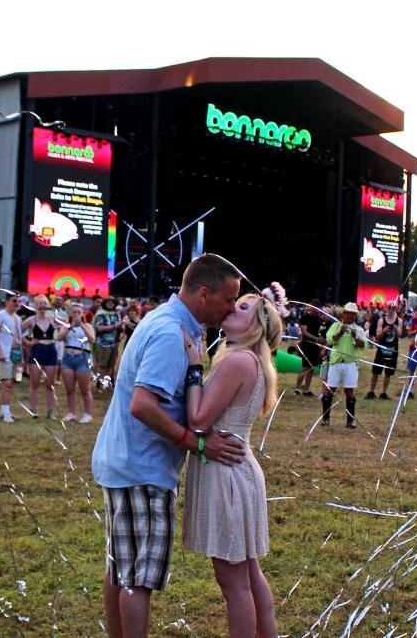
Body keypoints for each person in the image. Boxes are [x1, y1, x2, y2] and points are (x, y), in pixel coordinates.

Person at [91, 253, 246, 638]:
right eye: (229, 299)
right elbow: (142, 405)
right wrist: (196, 443)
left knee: (121, 568)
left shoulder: (174, 323)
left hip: (128, 463)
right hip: (141, 469)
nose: (231, 307)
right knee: (138, 578)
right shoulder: (168, 333)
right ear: (204, 293)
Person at [182, 292, 283, 637]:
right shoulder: (249, 359)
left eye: (243, 307)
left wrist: (194, 367)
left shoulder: (238, 361)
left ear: (255, 326)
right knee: (249, 575)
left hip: (227, 472)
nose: (232, 307)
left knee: (234, 582)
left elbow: (197, 420)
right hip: (237, 468)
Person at [322, 302, 366, 428]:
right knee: (330, 389)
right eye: (348, 314)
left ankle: (350, 420)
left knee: (349, 391)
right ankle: (325, 418)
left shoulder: (359, 329)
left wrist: (355, 336)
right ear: (344, 314)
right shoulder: (336, 326)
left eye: (353, 314)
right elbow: (330, 340)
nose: (350, 316)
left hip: (350, 363)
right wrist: (340, 332)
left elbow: (363, 345)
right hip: (336, 362)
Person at [20, 295, 59, 419]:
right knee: (34, 383)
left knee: (50, 384)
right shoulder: (31, 320)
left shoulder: (53, 319)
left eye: (45, 303)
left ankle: (50, 411)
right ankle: (33, 410)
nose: (42, 305)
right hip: (37, 350)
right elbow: (16, 330)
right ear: (36, 305)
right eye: (40, 303)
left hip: (50, 350)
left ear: (48, 305)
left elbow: (66, 325)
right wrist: (27, 343)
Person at [57, 303, 96, 423]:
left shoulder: (88, 326)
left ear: (83, 313)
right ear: (70, 314)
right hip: (68, 358)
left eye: (79, 312)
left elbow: (92, 340)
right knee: (70, 389)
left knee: (85, 389)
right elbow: (59, 337)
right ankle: (71, 413)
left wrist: (82, 326)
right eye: (74, 312)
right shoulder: (66, 326)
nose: (76, 314)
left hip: (82, 357)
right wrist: (71, 326)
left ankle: (88, 414)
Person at [0, 293, 23, 423]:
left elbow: (18, 336)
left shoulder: (18, 318)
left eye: (18, 301)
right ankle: (6, 414)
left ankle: (4, 411)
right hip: (4, 352)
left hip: (15, 353)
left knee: (11, 383)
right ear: (7, 301)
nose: (16, 303)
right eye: (14, 300)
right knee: (7, 383)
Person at [365, 302, 405, 400]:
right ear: (386, 308)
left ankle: (383, 393)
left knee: (388, 372)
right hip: (382, 349)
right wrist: (384, 331)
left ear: (396, 309)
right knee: (376, 371)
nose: (391, 310)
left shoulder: (399, 321)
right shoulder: (381, 320)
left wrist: (396, 329)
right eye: (390, 308)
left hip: (393, 349)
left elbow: (401, 335)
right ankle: (371, 391)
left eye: (393, 308)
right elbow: (378, 336)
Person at [295, 299, 325, 397]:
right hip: (307, 345)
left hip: (316, 346)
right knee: (305, 367)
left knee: (311, 368)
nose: (315, 309)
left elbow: (320, 330)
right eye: (313, 307)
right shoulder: (305, 318)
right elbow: (304, 332)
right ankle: (297, 388)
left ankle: (307, 389)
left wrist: (321, 339)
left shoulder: (319, 318)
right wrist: (316, 338)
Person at [94, 296, 125, 388]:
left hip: (114, 344)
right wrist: (116, 326)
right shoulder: (101, 314)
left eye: (112, 302)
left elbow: (120, 327)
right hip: (103, 344)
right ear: (105, 304)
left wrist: (122, 327)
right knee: (102, 364)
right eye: (108, 302)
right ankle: (100, 383)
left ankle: (105, 382)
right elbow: (100, 328)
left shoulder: (116, 314)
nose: (111, 304)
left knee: (110, 365)